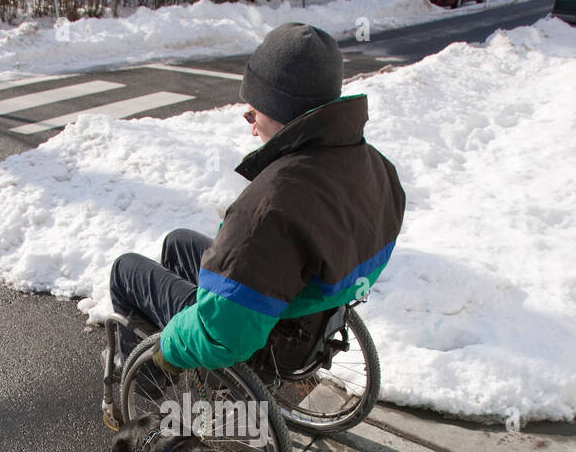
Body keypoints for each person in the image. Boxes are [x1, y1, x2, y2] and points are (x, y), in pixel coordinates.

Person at [103, 22, 406, 430]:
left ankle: (146, 380)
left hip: (266, 335)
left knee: (126, 270)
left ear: (282, 111)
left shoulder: (271, 205)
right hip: (311, 312)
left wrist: (167, 347)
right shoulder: (372, 165)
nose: (250, 125)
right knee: (177, 243)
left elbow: (225, 335)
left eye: (253, 112)